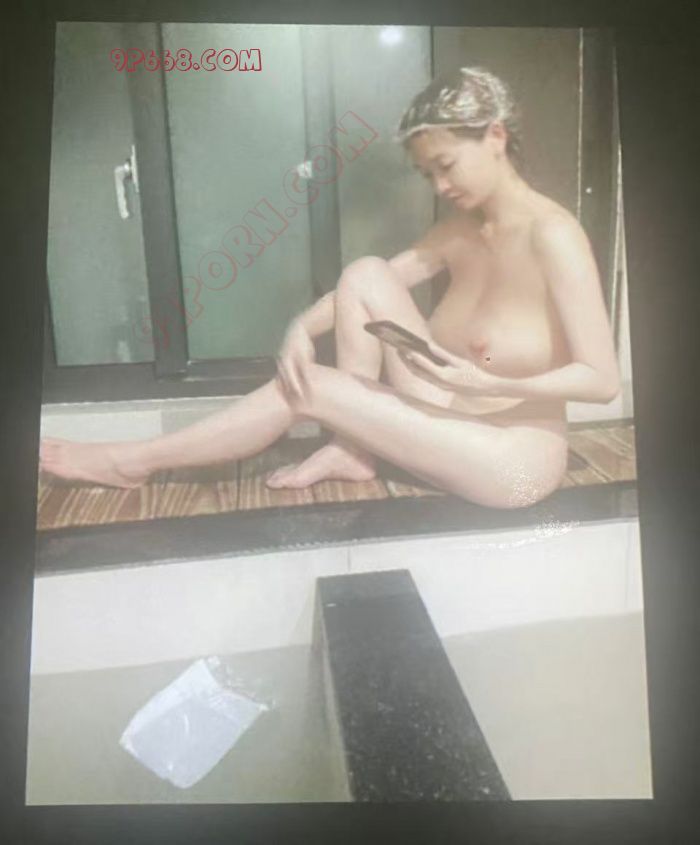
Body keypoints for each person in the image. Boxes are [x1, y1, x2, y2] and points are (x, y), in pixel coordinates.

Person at [39, 66, 620, 509]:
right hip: (449, 416)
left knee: (308, 386)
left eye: (446, 165)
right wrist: (299, 327)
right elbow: (361, 290)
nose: (440, 186)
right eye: (427, 174)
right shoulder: (459, 231)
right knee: (365, 272)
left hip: (513, 458)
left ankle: (131, 462)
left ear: (495, 136)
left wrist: (492, 381)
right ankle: (352, 448)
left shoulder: (555, 236)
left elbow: (602, 380)